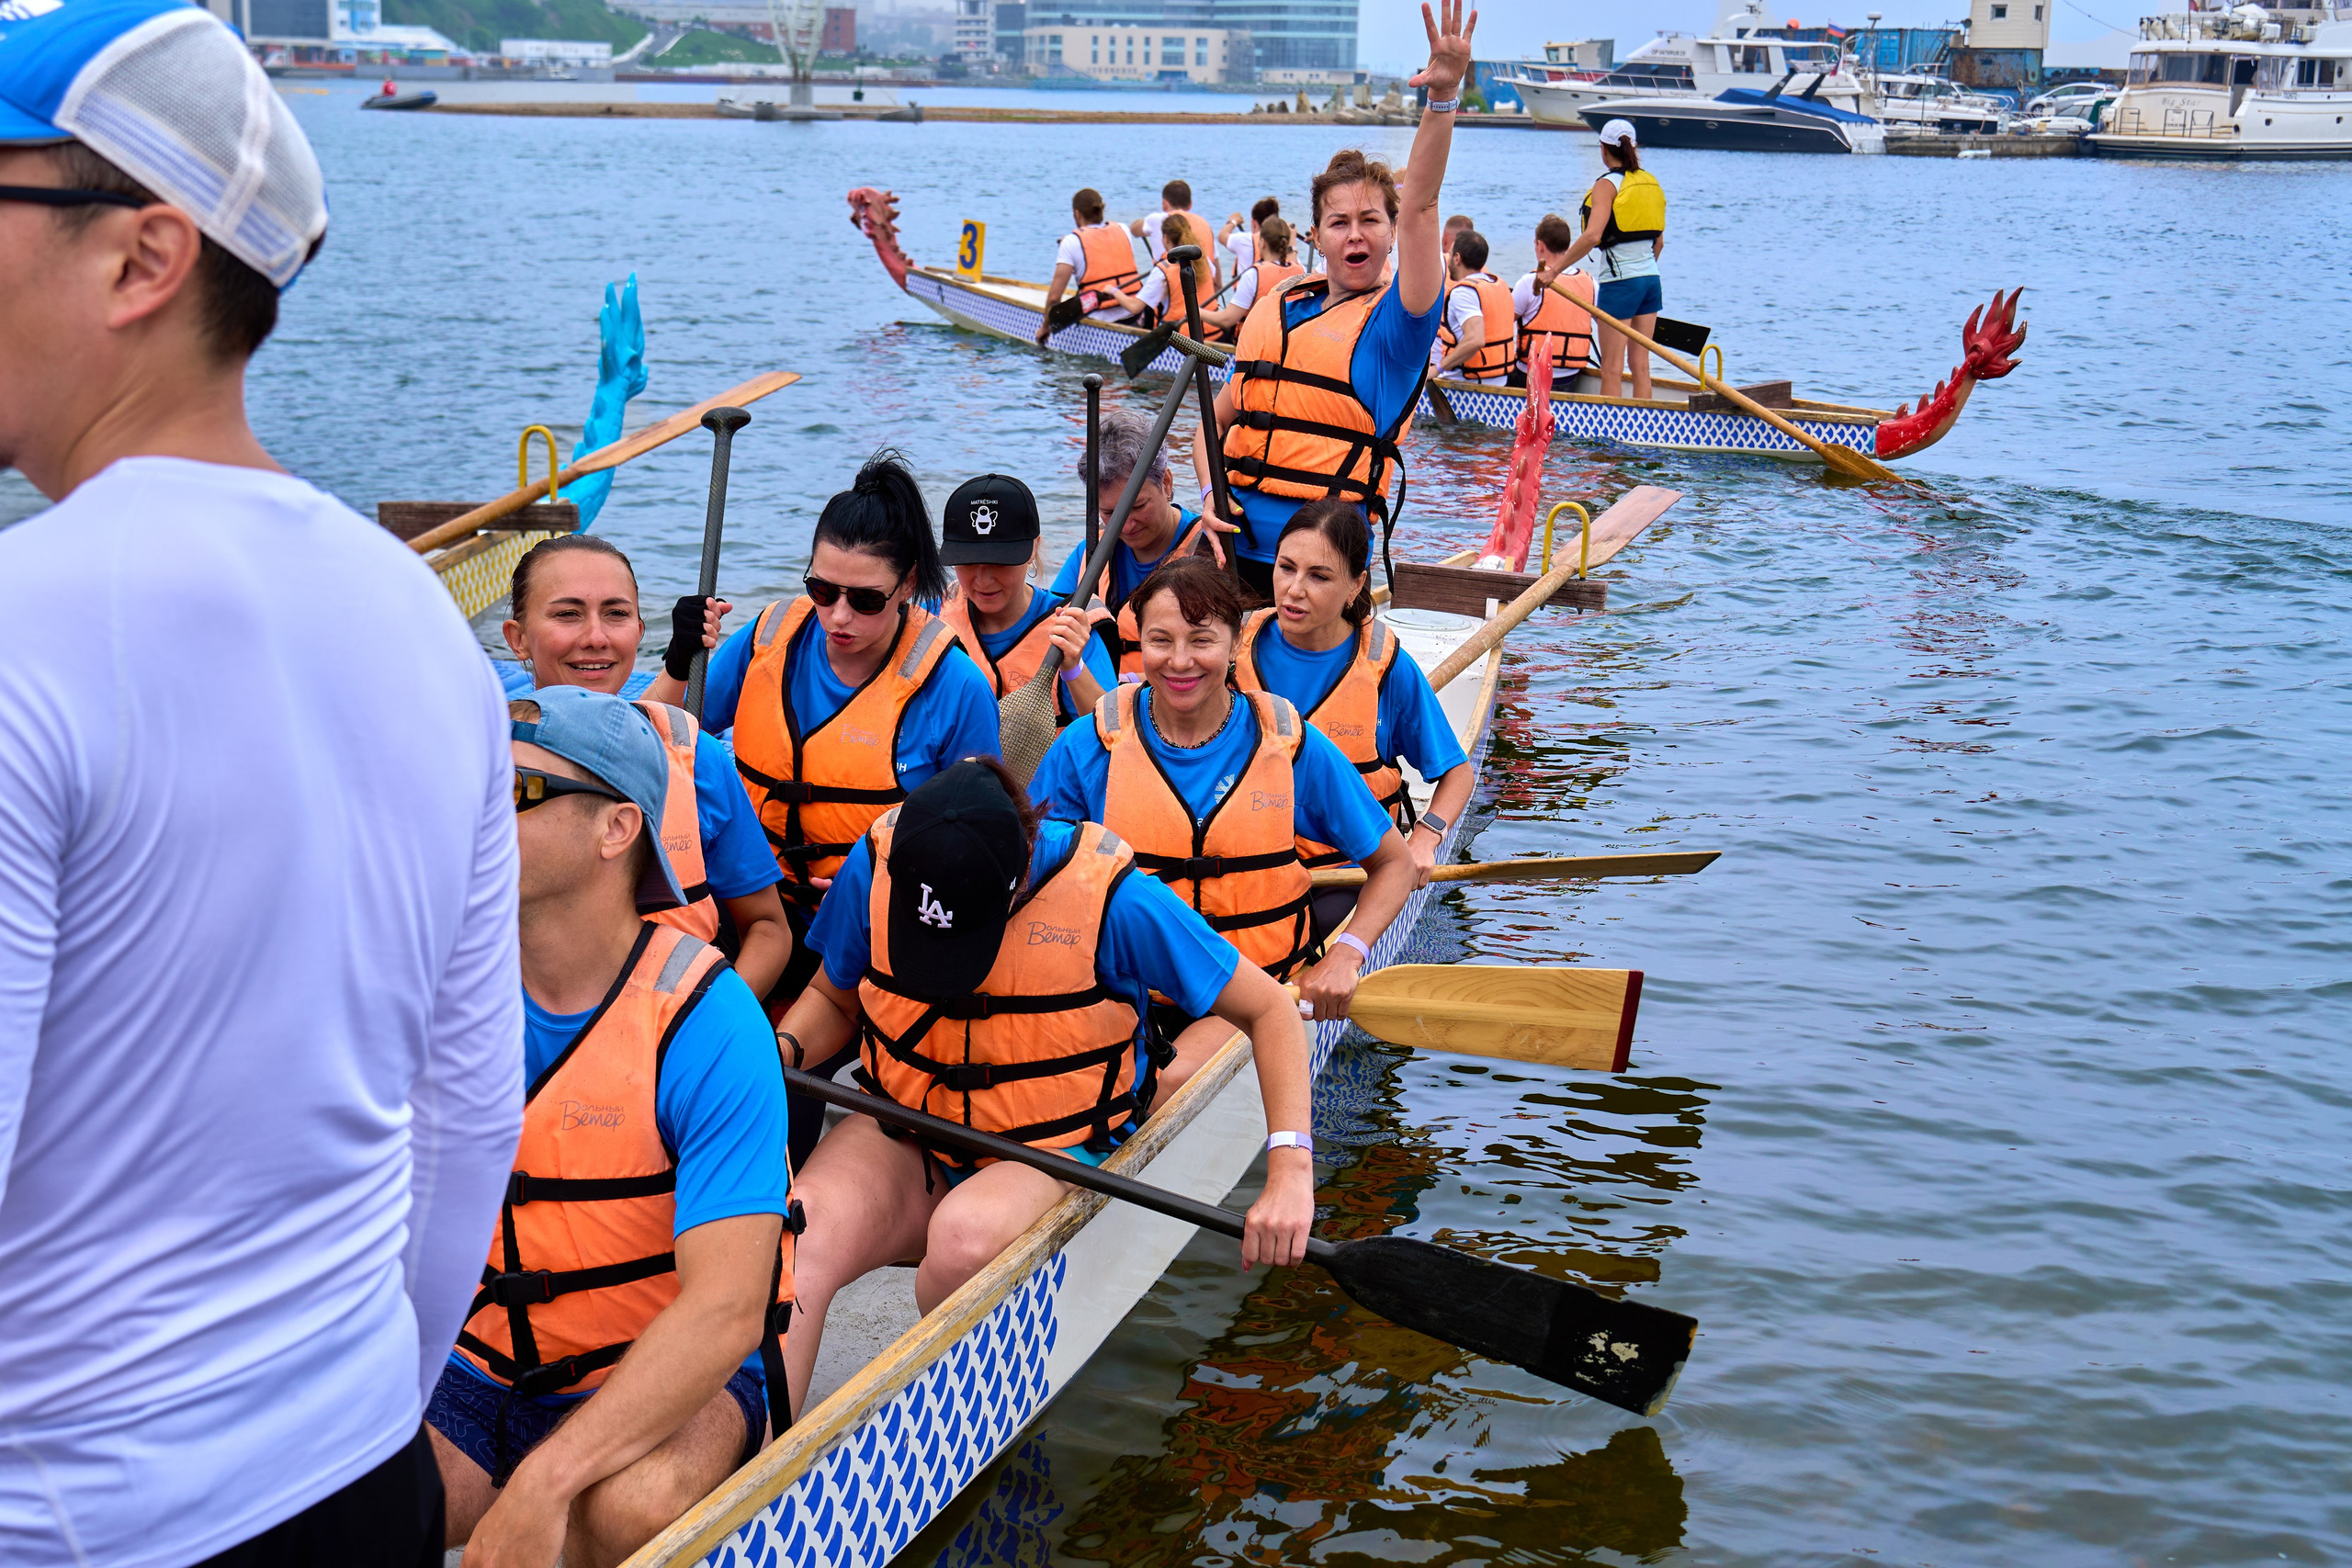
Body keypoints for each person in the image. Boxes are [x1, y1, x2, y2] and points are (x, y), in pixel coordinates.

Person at [0, 6, 513, 1564]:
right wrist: (369, 1406)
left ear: (141, 258)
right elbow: (466, 1120)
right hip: (351, 1468)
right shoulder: (427, 626)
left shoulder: (27, 632)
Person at [772, 760, 1316, 1414]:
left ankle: (954, 1416)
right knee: (797, 1230)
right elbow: (832, 997)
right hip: (910, 1124)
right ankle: (754, 1468)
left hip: (1048, 1142)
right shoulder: (880, 860)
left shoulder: (1117, 897)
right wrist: (778, 1051)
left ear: (1021, 873)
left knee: (964, 1238)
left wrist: (1289, 1168)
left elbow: (1271, 1009)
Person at [431, 687, 795, 1566]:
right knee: (334, 1491)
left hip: (661, 1370)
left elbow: (725, 1311)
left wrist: (546, 1483)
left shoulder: (708, 1020)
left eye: (513, 794)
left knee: (622, 1512)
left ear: (617, 829)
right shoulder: (434, 981)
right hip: (479, 1365)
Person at [660, 452, 1000, 1166]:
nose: (837, 615)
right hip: (745, 906)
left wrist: (883, 871)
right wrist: (676, 657)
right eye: (821, 588)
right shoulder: (764, 640)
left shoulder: (954, 687)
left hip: (861, 930)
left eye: (865, 599)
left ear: (908, 585)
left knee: (784, 1089)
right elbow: (648, 742)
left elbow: (977, 844)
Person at [1032, 558, 1419, 1097]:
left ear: (1236, 642)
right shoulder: (1089, 743)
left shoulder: (1287, 744)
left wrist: (1346, 953)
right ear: (1139, 644)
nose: (1180, 662)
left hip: (1249, 994)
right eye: (1160, 641)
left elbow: (1394, 864)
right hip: (1121, 989)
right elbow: (1028, 874)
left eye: (1202, 641)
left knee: (1160, 1085)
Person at [1195, 0, 1479, 601]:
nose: (1355, 233)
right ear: (1316, 235)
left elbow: (1424, 203)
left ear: (1392, 233)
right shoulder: (1276, 306)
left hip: (1320, 575)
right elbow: (1213, 421)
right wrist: (1205, 496)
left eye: (1372, 220)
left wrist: (1443, 100)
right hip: (1231, 553)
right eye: (1339, 221)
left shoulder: (1396, 326)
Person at [498, 533, 796, 998]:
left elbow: (768, 928)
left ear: (640, 630)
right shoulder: (477, 766)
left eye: (616, 614)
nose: (596, 637)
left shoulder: (697, 759)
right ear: (518, 639)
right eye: (567, 614)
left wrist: (709, 1026)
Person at [1232, 499, 1475, 935]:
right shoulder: (1233, 649)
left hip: (1344, 873)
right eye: (1286, 567)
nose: (1293, 590)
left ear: (1355, 584)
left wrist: (1426, 836)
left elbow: (1457, 773)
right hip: (1245, 862)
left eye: (1319, 576)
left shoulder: (1385, 668)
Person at [1046, 403, 1215, 679]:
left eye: (1137, 506)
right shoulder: (1089, 553)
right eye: (1109, 513)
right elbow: (1045, 624)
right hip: (1097, 705)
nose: (1126, 524)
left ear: (1167, 483)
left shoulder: (1210, 548)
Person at [935, 471, 1114, 724]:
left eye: (1000, 562)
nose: (983, 580)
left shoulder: (1071, 630)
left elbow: (1112, 734)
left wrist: (1073, 666)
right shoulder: (932, 618)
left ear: (1034, 548)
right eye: (968, 562)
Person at [1556, 118, 1666, 400]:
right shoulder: (1648, 182)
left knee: (1612, 369)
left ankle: (1611, 440)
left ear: (1604, 151)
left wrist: (1553, 271)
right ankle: (1644, 431)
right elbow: (1659, 243)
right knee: (1641, 366)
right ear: (1634, 147)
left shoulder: (1607, 185)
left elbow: (1592, 236)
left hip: (1620, 284)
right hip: (1651, 280)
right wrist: (1641, 271)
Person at [1037, 186, 1145, 344]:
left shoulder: (1071, 242)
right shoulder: (1123, 229)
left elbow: (1054, 299)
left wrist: (1045, 328)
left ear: (1077, 214)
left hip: (1100, 322)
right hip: (1134, 314)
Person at [1511, 212, 1598, 388]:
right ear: (1568, 247)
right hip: (1570, 377)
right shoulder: (1590, 282)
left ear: (1540, 245)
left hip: (1530, 377)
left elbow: (1502, 325)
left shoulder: (1530, 281)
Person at [1201, 215, 1304, 342]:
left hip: (1256, 346)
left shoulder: (1254, 275)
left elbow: (1226, 320)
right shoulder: (1300, 271)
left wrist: (1196, 311)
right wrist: (1292, 243)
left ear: (1263, 243)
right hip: (1287, 342)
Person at [1434, 229, 1515, 384]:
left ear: (1457, 258)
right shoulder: (1498, 284)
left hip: (1465, 385)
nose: (1449, 258)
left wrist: (1437, 368)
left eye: (1450, 254)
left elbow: (1476, 339)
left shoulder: (1463, 293)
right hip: (1499, 380)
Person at [1129, 176, 1220, 290]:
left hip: (1173, 293)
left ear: (1164, 204)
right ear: (1190, 205)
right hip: (1206, 295)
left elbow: (1134, 229)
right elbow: (1215, 264)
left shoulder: (1158, 219)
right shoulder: (1204, 224)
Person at [1134, 210, 1217, 330]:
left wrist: (1113, 291)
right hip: (1213, 332)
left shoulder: (1163, 270)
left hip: (1180, 339)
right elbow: (1216, 283)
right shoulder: (1205, 261)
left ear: (1166, 238)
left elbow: (1135, 307)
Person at [1217, 195, 1281, 279]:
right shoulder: (1284, 241)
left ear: (1254, 223)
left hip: (1250, 291)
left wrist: (1233, 221)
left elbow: (1222, 236)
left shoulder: (1245, 240)